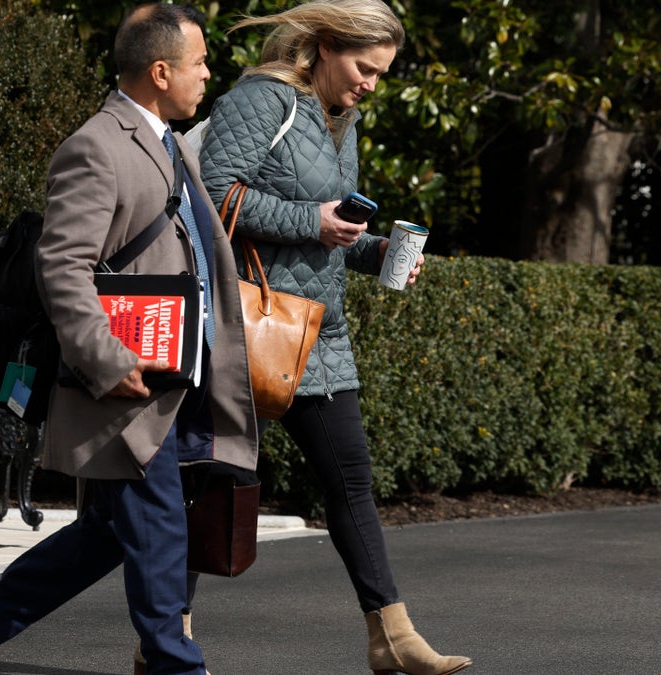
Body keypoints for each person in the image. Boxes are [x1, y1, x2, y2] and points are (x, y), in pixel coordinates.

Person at [0, 4, 257, 674]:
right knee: (158, 522)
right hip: (127, 376)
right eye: (200, 62)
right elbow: (62, 264)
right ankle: (177, 664)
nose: (209, 74)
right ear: (161, 70)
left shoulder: (164, 139)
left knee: (112, 531)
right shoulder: (98, 144)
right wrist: (106, 358)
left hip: (173, 373)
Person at [194, 1, 471, 674]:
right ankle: (163, 638)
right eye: (363, 67)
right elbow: (211, 191)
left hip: (318, 333)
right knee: (208, 488)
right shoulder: (261, 100)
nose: (371, 83)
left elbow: (329, 228)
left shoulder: (340, 120)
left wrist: (376, 250)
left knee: (351, 480)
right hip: (248, 325)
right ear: (322, 47)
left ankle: (392, 636)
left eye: (381, 73)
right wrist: (309, 220)